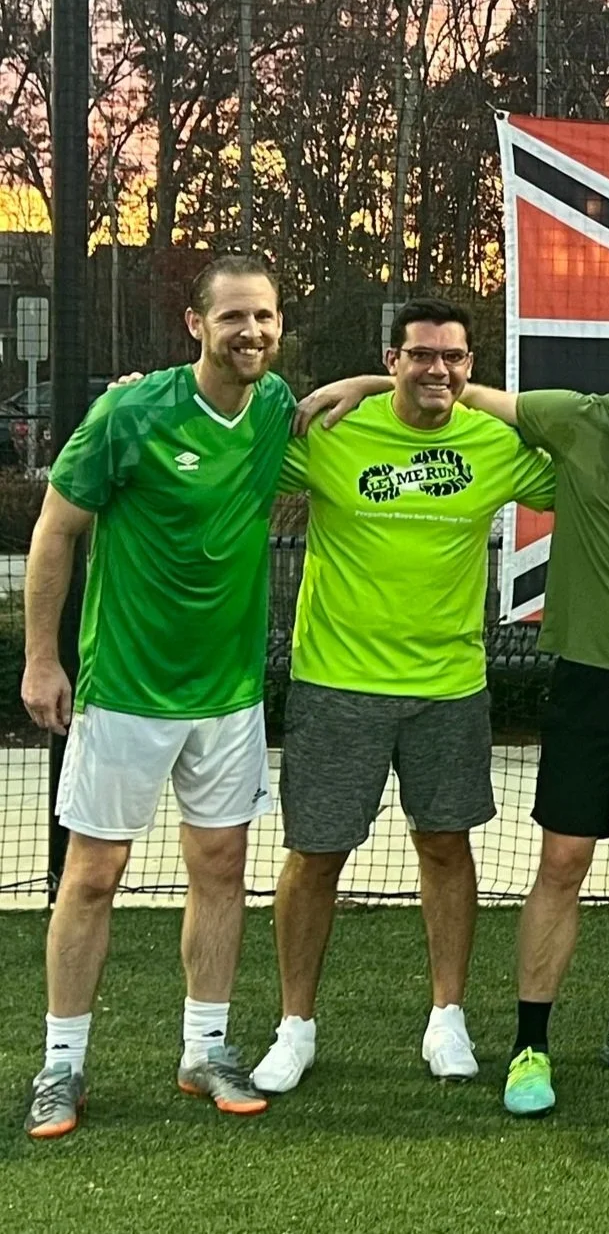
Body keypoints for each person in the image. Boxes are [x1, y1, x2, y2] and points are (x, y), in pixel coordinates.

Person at [336, 290, 609, 1116]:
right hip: (588, 684)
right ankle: (531, 1043)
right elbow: (452, 388)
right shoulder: (575, 417)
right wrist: (362, 384)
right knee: (562, 861)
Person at [248, 298, 558, 1095]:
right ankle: (294, 1026)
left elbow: (586, 457)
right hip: (336, 683)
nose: (437, 369)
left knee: (446, 847)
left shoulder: (494, 442)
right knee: (316, 855)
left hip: (449, 689)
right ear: (392, 360)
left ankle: (447, 1017)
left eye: (452, 357)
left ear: (470, 366)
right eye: (420, 354)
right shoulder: (335, 431)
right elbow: (238, 436)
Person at [21, 255, 294, 1138]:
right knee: (91, 875)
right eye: (233, 316)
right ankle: (61, 1064)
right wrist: (41, 660)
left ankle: (204, 1049)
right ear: (195, 323)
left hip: (229, 697)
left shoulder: (276, 406)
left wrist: (365, 381)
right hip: (125, 691)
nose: (250, 330)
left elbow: (350, 399)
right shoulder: (129, 412)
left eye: (264, 316)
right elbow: (55, 531)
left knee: (221, 870)